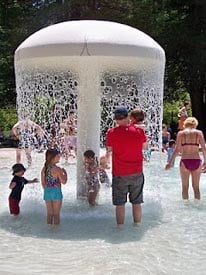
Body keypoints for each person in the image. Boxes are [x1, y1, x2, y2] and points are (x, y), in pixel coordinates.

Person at [105, 106, 147, 227]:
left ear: (116, 119)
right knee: (137, 202)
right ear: (128, 117)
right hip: (137, 172)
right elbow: (144, 147)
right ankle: (137, 225)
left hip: (120, 173)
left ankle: (120, 228)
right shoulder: (139, 131)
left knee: (120, 204)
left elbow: (110, 150)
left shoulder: (111, 133)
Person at [165, 117, 206, 200]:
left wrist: (170, 162)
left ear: (185, 124)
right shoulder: (199, 133)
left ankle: (186, 208)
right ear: (195, 124)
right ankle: (197, 208)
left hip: (185, 161)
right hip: (197, 160)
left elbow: (177, 150)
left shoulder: (181, 133)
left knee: (184, 187)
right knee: (196, 187)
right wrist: (205, 160)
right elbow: (204, 148)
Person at [41, 148, 67, 225]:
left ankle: (49, 230)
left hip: (47, 192)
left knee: (49, 214)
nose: (59, 157)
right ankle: (56, 232)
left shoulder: (44, 168)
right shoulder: (57, 169)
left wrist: (47, 189)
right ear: (52, 158)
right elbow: (64, 182)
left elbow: (43, 183)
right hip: (56, 192)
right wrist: (65, 174)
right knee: (56, 214)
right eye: (58, 156)